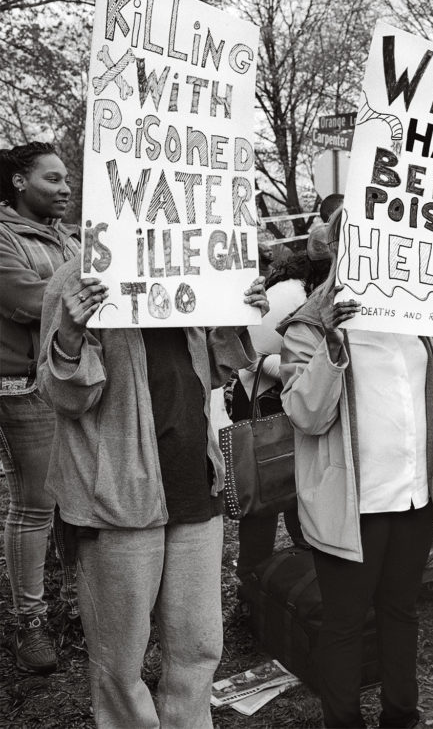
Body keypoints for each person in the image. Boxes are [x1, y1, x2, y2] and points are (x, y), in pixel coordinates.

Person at [278, 208, 433, 727]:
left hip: (413, 499)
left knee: (402, 613)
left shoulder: (420, 317)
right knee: (343, 624)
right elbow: (303, 413)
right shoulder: (311, 325)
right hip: (350, 509)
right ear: (347, 248)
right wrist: (332, 350)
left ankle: (401, 718)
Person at [37, 257, 267, 726]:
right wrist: (69, 337)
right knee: (119, 664)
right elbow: (65, 399)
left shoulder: (189, 260)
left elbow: (216, 372)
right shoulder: (78, 277)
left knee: (200, 648)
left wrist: (233, 314)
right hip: (117, 499)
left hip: (193, 484)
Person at [0, 142, 80, 674]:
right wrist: (93, 288)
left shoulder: (71, 238)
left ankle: (72, 601)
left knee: (75, 496)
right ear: (19, 183)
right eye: (52, 179)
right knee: (35, 503)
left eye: (67, 179)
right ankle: (28, 621)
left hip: (75, 380)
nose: (66, 188)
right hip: (23, 385)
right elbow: (28, 301)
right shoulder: (3, 236)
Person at [231, 244, 331, 582]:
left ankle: (300, 571)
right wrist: (299, 371)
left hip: (282, 394)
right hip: (260, 397)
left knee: (295, 482)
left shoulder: (307, 288)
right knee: (265, 495)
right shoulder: (292, 294)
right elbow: (249, 355)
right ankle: (251, 580)